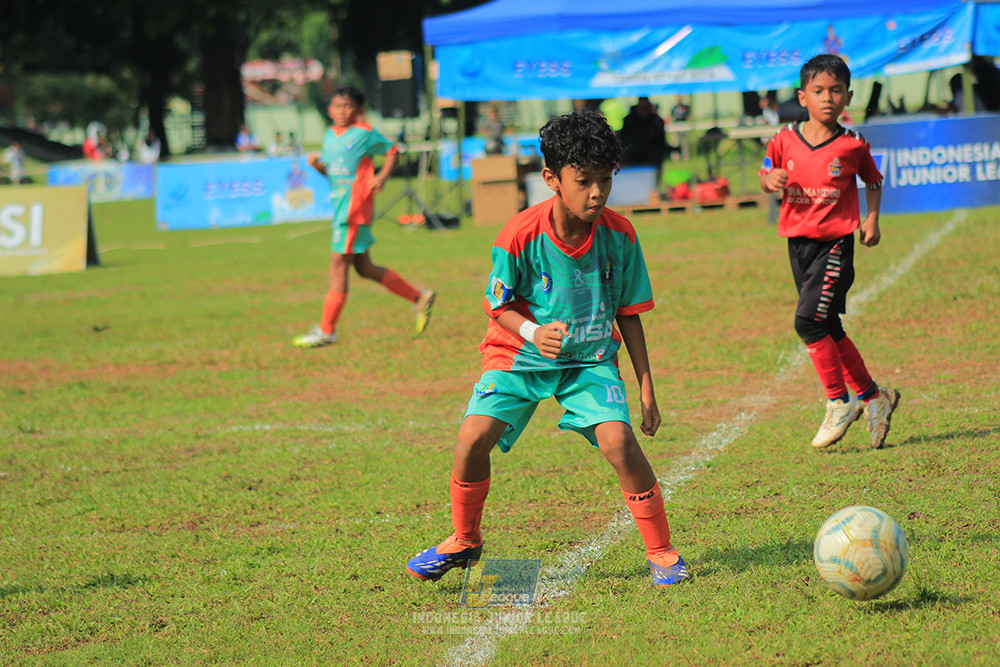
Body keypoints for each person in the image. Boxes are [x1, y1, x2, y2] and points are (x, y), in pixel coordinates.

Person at [405, 110, 691, 588]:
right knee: (472, 439)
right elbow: (496, 306)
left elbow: (629, 313)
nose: (597, 192)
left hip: (591, 359)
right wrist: (535, 333)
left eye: (605, 180)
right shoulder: (519, 234)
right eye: (584, 181)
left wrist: (646, 387)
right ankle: (464, 538)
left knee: (620, 443)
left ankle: (662, 552)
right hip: (519, 354)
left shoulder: (620, 236)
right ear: (551, 179)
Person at [759, 54, 900, 450]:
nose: (827, 98)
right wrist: (770, 179)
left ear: (848, 96)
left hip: (835, 245)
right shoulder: (784, 138)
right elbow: (764, 173)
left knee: (807, 322)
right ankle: (874, 397)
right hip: (797, 244)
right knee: (828, 327)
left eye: (836, 90)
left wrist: (872, 219)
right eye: (819, 91)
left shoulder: (852, 144)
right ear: (802, 97)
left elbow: (873, 180)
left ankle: (838, 401)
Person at [294, 86, 435, 348]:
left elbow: (393, 150)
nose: (342, 111)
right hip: (341, 209)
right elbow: (333, 175)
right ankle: (419, 297)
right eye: (337, 106)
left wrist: (381, 177)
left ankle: (327, 330)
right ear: (329, 110)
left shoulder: (364, 133)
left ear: (357, 109)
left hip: (353, 210)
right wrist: (318, 166)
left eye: (347, 106)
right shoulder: (328, 137)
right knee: (364, 268)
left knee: (338, 266)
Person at [619, 97, 669, 175]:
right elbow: (624, 138)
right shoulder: (629, 120)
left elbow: (661, 141)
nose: (644, 111)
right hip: (632, 154)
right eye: (642, 108)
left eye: (646, 108)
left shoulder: (657, 121)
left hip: (653, 154)